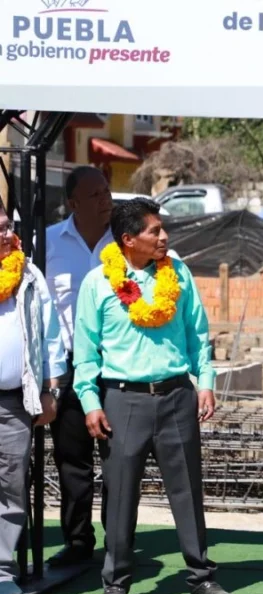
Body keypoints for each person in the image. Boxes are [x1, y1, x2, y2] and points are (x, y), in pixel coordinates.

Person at [72, 198, 232, 594]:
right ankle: (117, 583)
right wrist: (90, 401)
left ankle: (201, 578)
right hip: (122, 401)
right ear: (128, 240)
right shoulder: (97, 283)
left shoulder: (177, 274)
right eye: (154, 231)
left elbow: (198, 332)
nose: (164, 237)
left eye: (162, 229)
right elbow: (86, 351)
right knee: (121, 495)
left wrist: (206, 381)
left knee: (187, 492)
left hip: (177, 395)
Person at [45, 165, 114, 567]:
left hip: (116, 365)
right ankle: (77, 542)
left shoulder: (123, 246)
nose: (105, 199)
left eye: (106, 191)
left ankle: (117, 544)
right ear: (72, 203)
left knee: (117, 459)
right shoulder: (48, 242)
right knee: (72, 460)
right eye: (95, 195)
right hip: (66, 366)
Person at [0, 203, 66, 594]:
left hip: (13, 402)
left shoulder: (29, 274)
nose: (7, 235)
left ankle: (1, 572)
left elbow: (52, 335)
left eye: (8, 227)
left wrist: (53, 390)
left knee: (9, 486)